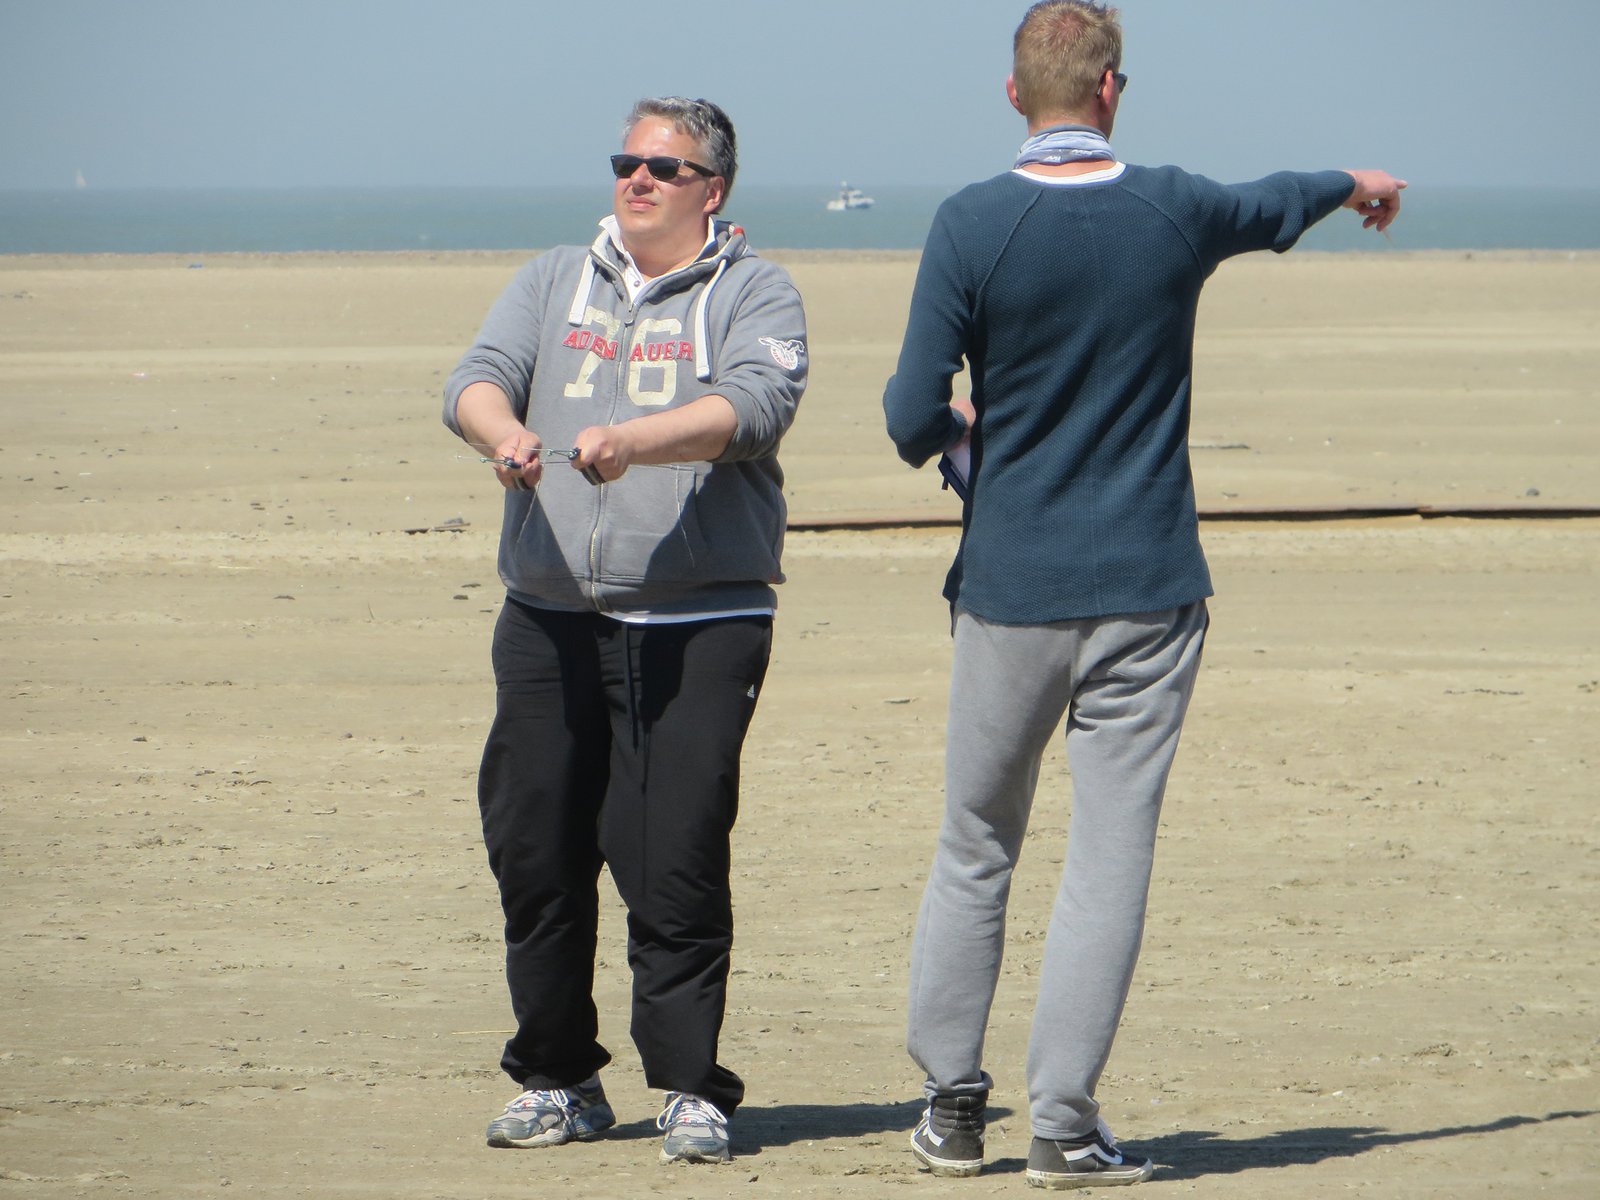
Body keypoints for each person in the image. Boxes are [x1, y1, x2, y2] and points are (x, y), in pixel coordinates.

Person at [881, 2, 1403, 1188]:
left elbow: (911, 412)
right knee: (1107, 856)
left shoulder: (972, 221)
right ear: (1111, 88)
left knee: (976, 841)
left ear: (1012, 93)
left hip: (1009, 587)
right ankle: (1062, 1127)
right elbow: (1275, 199)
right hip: (1149, 588)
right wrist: (1356, 181)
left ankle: (951, 1109)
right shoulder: (1175, 207)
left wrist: (961, 437)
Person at [442, 95, 807, 1166]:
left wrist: (635, 442)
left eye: (664, 166)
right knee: (536, 851)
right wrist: (504, 436)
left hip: (700, 621)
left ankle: (692, 1088)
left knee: (673, 858)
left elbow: (755, 407)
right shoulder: (556, 276)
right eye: (626, 162)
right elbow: (475, 381)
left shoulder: (756, 289)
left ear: (712, 188)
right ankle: (558, 1078)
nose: (638, 179)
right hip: (548, 614)